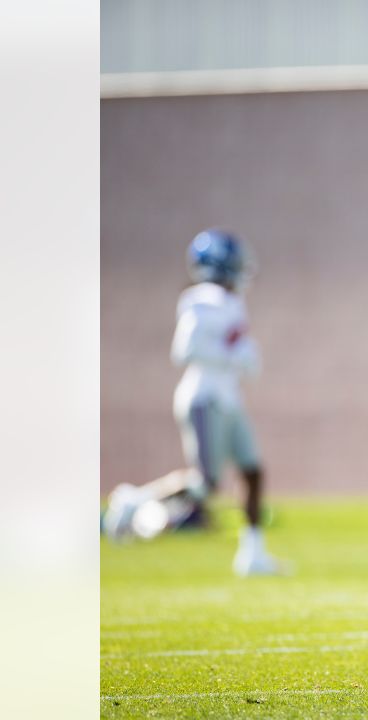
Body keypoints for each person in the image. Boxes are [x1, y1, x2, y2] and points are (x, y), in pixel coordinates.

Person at [102, 229, 284, 577]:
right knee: (206, 484)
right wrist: (232, 356)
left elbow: (235, 349)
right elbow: (184, 350)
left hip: (228, 398)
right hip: (204, 399)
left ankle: (253, 554)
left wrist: (245, 357)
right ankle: (132, 502)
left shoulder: (232, 302)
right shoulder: (201, 300)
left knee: (252, 470)